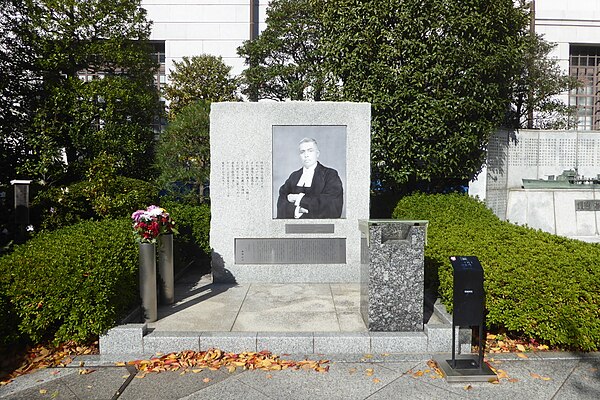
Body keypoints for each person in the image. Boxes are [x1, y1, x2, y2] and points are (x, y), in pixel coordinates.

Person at [276, 137, 343, 219]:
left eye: (310, 151)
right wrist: (297, 210)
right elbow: (281, 202)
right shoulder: (294, 176)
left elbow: (331, 205)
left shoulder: (330, 175)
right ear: (300, 155)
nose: (306, 155)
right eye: (302, 152)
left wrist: (298, 198)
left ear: (317, 154)